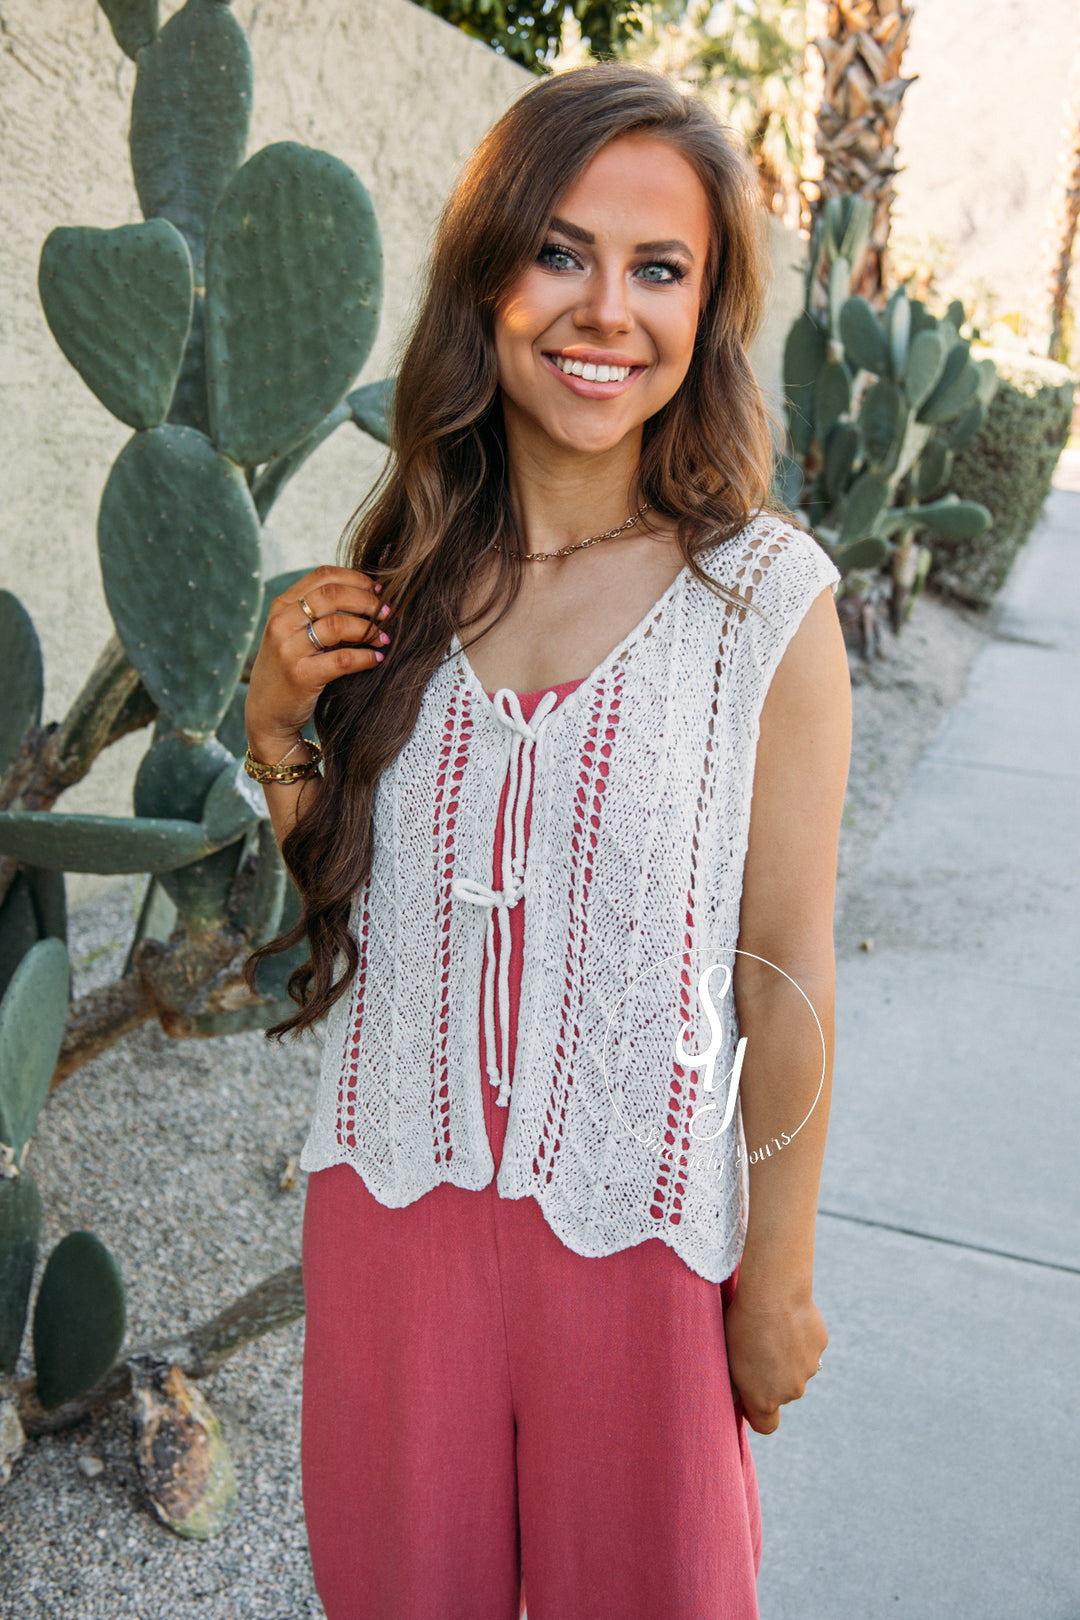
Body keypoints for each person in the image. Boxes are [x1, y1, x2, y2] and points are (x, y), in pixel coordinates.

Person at [243, 61, 851, 1620]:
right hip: (390, 1221)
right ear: (490, 274)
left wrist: (772, 1278)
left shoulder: (762, 605)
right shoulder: (409, 579)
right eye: (561, 251)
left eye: (661, 270)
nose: (605, 311)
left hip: (640, 1247)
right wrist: (272, 745)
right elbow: (358, 919)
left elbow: (781, 972)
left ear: (706, 313)